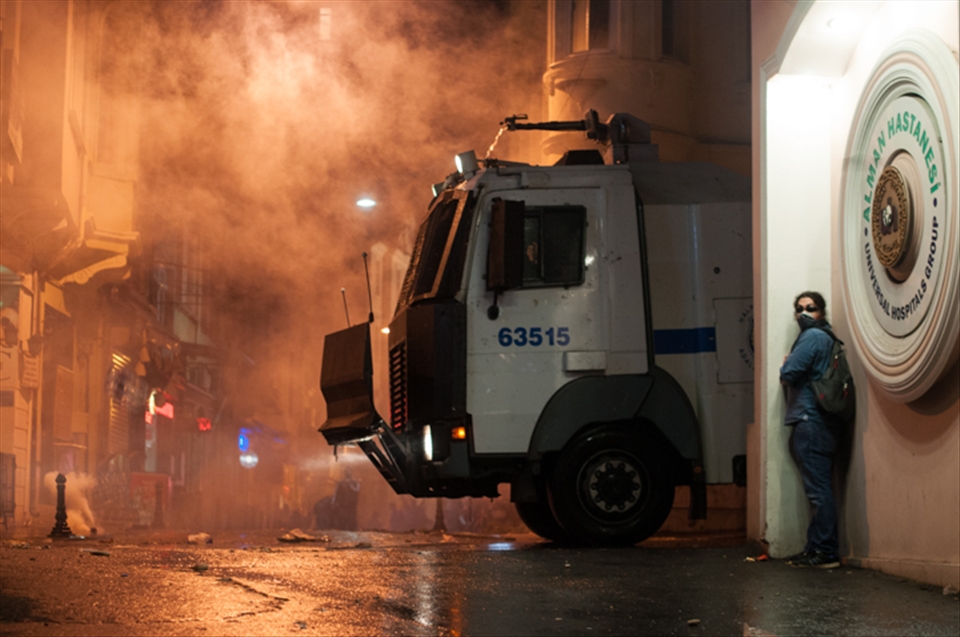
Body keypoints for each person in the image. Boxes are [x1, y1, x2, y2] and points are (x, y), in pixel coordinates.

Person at [779, 291, 841, 569]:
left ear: (822, 313)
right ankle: (814, 548)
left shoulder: (813, 337)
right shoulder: (821, 337)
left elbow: (789, 372)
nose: (804, 313)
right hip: (813, 421)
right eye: (800, 308)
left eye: (811, 308)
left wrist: (786, 363)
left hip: (811, 420)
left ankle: (825, 551)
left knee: (819, 491)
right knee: (816, 490)